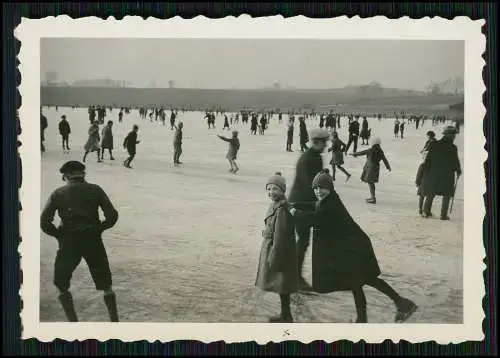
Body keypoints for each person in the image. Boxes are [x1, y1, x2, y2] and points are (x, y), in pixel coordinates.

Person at [289, 169, 418, 323]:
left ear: (330, 188)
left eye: (322, 188)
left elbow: (314, 219)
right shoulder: (328, 200)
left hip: (355, 248)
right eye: (315, 188)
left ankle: (388, 309)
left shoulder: (330, 205)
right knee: (359, 282)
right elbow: (314, 205)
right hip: (350, 247)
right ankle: (393, 307)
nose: (318, 191)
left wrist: (293, 211)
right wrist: (294, 204)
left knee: (362, 281)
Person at [40, 161, 119, 322]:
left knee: (61, 283)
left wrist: (58, 235)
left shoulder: (58, 193)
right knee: (105, 283)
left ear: (66, 176)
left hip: (69, 243)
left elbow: (45, 222)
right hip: (93, 240)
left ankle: (73, 323)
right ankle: (114, 322)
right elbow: (112, 216)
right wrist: (100, 228)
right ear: (83, 174)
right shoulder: (96, 190)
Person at [288, 128, 330, 291]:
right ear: (315, 142)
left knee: (304, 240)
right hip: (302, 204)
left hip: (304, 203)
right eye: (323, 142)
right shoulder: (309, 159)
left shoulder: (312, 157)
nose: (326, 145)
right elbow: (310, 185)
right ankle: (295, 277)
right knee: (304, 240)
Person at [255, 172, 298, 323]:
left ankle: (286, 316)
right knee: (282, 286)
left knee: (282, 285)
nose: (271, 192)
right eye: (269, 189)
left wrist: (273, 259)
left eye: (275, 189)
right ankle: (286, 315)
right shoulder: (276, 205)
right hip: (276, 250)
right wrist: (266, 231)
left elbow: (281, 238)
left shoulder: (281, 209)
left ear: (282, 190)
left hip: (279, 252)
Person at [420, 126, 462, 220]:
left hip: (434, 173)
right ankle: (443, 215)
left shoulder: (435, 144)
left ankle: (425, 212)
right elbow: (455, 161)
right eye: (454, 135)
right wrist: (458, 170)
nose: (454, 137)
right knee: (446, 194)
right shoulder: (452, 147)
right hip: (447, 175)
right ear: (450, 136)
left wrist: (426, 169)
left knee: (431, 192)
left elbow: (428, 158)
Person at [353, 137, 391, 204]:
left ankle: (373, 198)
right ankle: (372, 197)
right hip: (376, 168)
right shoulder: (380, 151)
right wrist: (388, 167)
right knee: (371, 182)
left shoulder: (371, 150)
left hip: (370, 167)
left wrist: (355, 154)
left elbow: (362, 152)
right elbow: (385, 160)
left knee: (370, 182)